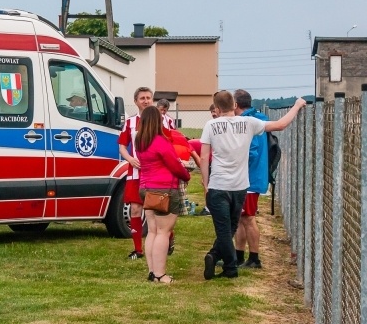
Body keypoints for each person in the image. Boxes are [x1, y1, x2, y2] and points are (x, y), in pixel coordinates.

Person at [199, 91, 305, 280]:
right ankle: (216, 257)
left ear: (216, 109)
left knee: (223, 228)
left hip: (219, 183)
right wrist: (296, 106)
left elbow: (205, 156)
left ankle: (229, 265)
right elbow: (280, 125)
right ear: (234, 105)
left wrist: (205, 183)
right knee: (231, 226)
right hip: (240, 186)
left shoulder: (211, 125)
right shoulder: (249, 123)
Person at [138, 106, 191, 283]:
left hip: (146, 188)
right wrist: (186, 174)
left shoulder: (141, 141)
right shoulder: (160, 141)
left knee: (152, 231)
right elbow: (174, 165)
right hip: (164, 190)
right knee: (164, 232)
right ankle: (161, 274)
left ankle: (152, 271)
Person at [233, 89, 268, 269]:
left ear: (236, 105)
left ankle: (254, 258)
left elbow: (251, 151)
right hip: (254, 176)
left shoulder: (247, 122)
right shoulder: (259, 118)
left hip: (249, 178)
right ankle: (238, 255)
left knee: (248, 218)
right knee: (241, 217)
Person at [118, 86, 153, 259]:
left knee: (158, 210)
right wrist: (130, 159)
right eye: (142, 98)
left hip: (155, 174)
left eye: (148, 98)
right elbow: (122, 145)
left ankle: (168, 238)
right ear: (136, 102)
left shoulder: (162, 120)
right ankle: (138, 249)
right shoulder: (130, 122)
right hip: (135, 173)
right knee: (135, 210)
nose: (146, 101)